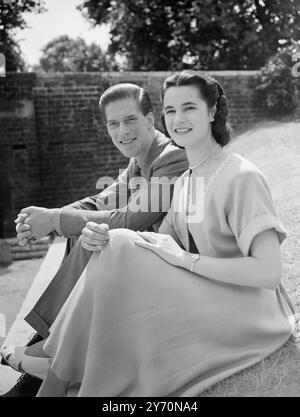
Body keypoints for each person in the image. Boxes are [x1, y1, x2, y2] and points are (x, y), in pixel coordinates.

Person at [6, 71, 296, 397]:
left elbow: (268, 274)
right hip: (204, 289)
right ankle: (53, 371)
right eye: (170, 111)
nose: (178, 119)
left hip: (249, 311)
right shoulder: (187, 180)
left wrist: (187, 261)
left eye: (189, 108)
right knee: (113, 241)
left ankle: (51, 365)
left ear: (212, 112)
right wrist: (100, 238)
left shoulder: (241, 175)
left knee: (117, 240)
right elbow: (155, 237)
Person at [0, 83, 188, 397]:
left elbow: (129, 218)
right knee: (85, 232)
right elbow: (102, 202)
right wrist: (49, 217)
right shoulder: (137, 161)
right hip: (136, 266)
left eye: (130, 120)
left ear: (151, 120)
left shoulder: (172, 159)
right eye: (113, 124)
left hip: (168, 273)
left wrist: (56, 220)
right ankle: (38, 367)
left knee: (98, 237)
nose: (122, 131)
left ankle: (42, 356)